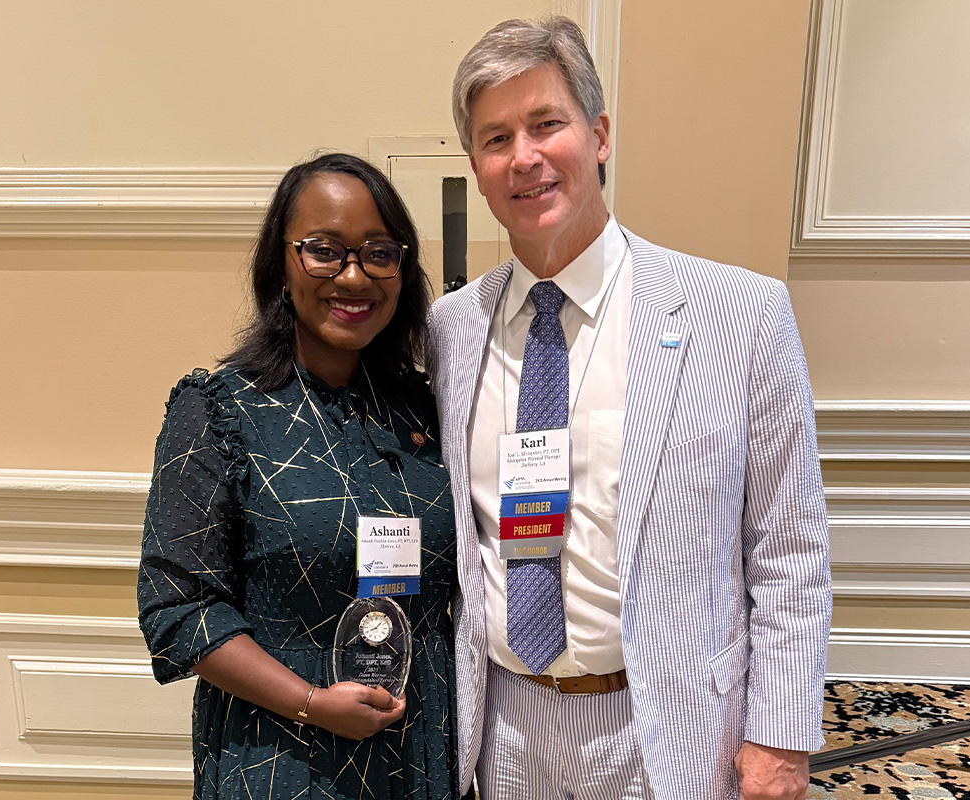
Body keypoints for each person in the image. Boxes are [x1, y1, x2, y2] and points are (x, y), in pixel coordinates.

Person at [426, 17, 832, 800]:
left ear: (600, 134)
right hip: (504, 727)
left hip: (668, 729)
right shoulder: (452, 330)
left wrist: (779, 740)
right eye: (496, 138)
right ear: (477, 168)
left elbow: (790, 546)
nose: (526, 157)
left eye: (547, 124)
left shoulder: (740, 314)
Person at [137, 153, 460, 800]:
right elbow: (178, 610)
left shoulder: (427, 407)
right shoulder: (219, 410)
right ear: (281, 267)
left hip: (423, 755)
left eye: (378, 253)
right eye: (323, 251)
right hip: (285, 756)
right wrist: (312, 701)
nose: (353, 275)